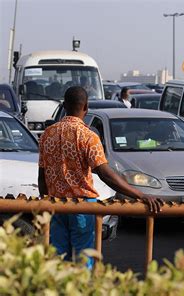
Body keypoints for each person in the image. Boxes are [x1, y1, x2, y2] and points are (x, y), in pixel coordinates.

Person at [38, 86, 163, 268]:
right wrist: (141, 195)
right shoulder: (89, 137)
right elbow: (106, 174)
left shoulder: (47, 135)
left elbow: (42, 177)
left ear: (64, 106)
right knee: (83, 260)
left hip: (55, 205)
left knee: (58, 261)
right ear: (86, 107)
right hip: (82, 206)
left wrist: (45, 203)